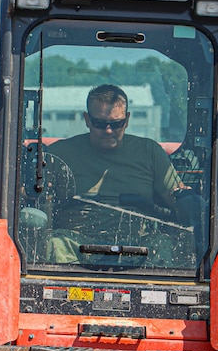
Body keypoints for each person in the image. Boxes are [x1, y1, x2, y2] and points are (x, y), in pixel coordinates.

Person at [43, 84, 188, 264]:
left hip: (135, 246)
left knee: (162, 244)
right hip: (76, 243)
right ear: (87, 120)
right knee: (56, 244)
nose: (109, 130)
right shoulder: (59, 154)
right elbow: (41, 203)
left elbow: (179, 200)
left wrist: (190, 201)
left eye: (116, 124)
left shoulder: (149, 152)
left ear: (126, 120)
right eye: (100, 124)